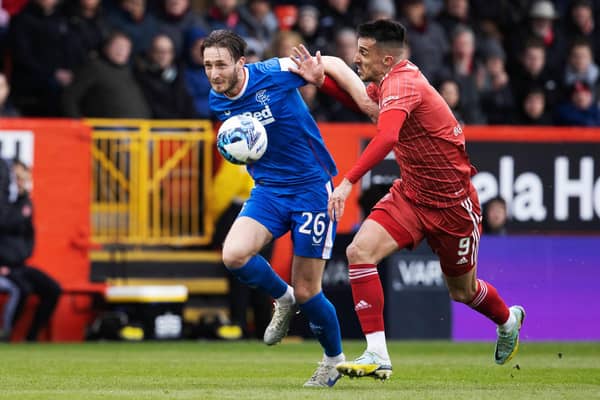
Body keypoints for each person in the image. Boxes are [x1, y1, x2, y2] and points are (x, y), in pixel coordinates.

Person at [289, 19, 525, 381]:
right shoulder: (389, 82)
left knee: (462, 291)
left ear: (386, 59)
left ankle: (508, 319)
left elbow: (384, 137)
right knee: (359, 252)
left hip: (452, 206)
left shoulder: (404, 83)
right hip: (412, 196)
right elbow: (367, 108)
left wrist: (349, 181)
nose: (356, 59)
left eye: (364, 52)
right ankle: (377, 352)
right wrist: (323, 83)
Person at [201, 29, 348, 387]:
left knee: (310, 289)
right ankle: (283, 298)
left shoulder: (274, 71)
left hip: (312, 188)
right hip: (268, 190)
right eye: (207, 65)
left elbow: (329, 63)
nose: (214, 73)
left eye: (220, 64)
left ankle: (333, 361)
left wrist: (326, 83)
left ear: (241, 62)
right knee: (233, 254)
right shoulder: (216, 101)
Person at [0, 160, 62, 341]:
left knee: (53, 289)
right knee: (22, 289)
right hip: (3, 268)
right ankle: (6, 333)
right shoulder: (6, 206)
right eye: (17, 178)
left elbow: (29, 235)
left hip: (18, 266)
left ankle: (32, 336)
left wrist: (23, 254)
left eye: (23, 178)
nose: (20, 182)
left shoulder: (24, 204)